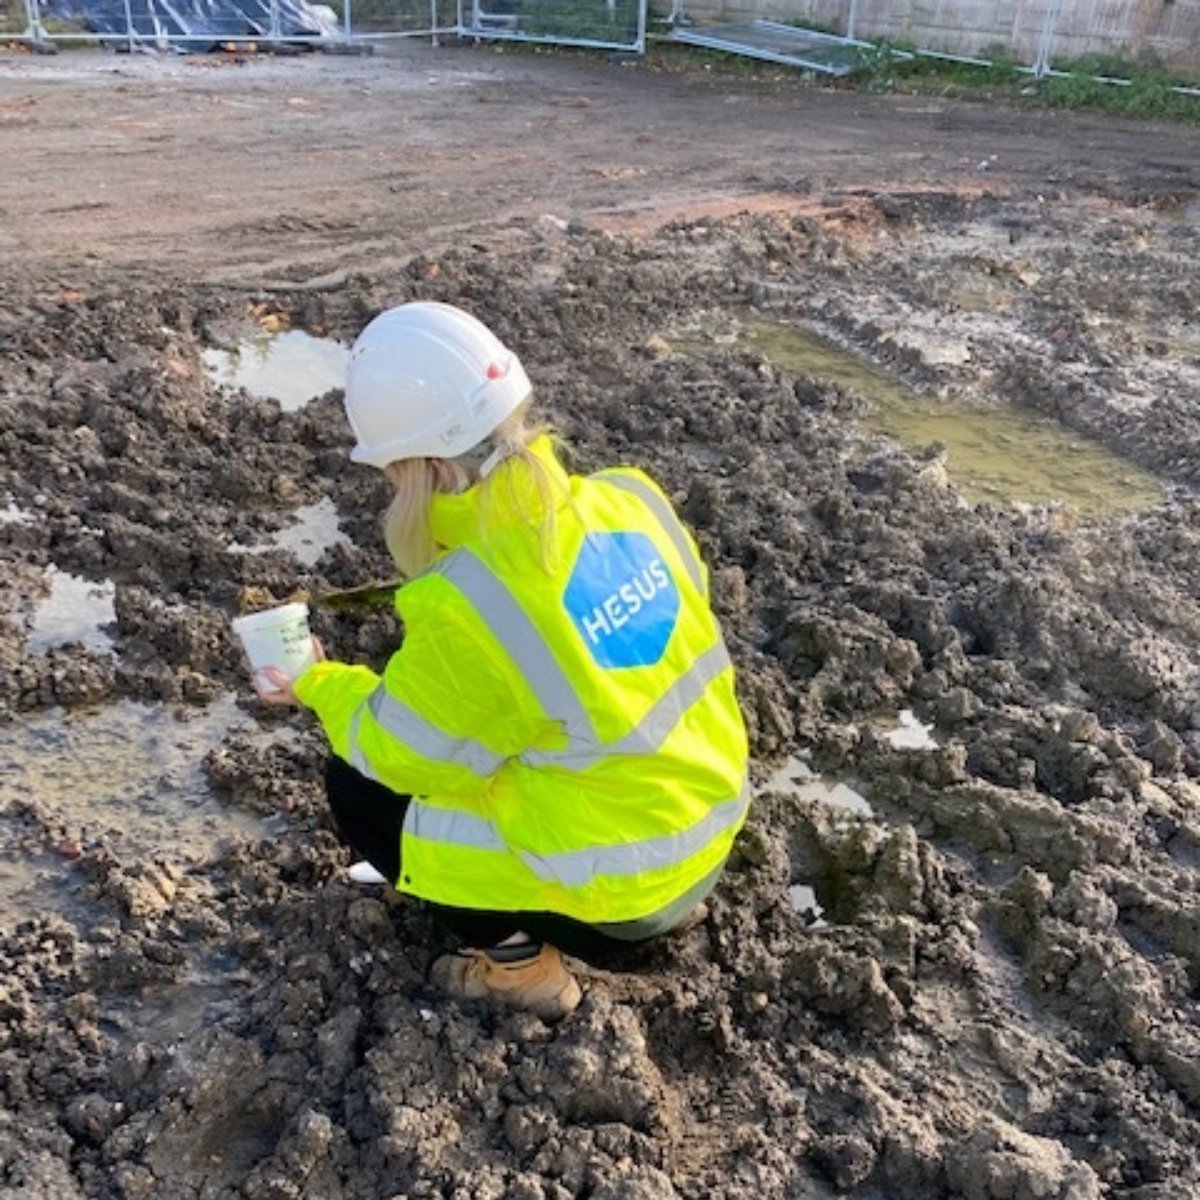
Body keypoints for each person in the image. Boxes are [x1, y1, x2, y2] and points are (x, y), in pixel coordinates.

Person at [255, 301, 749, 1020]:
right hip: (708, 834)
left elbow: (395, 755)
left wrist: (317, 684)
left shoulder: (468, 604)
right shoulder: (629, 499)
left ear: (425, 466)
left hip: (621, 898)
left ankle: (522, 971)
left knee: (357, 785)